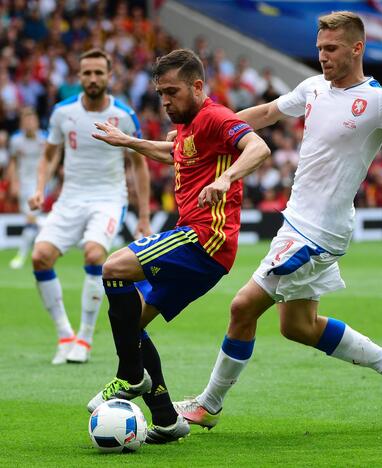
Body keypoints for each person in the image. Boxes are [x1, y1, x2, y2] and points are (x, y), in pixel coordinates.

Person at [173, 11, 382, 429]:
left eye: (332, 49)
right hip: (297, 222)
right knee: (298, 327)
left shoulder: (380, 101)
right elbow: (268, 112)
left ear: (357, 48)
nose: (322, 56)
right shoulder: (313, 87)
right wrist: (202, 130)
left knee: (242, 306)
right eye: (319, 48)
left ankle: (208, 405)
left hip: (318, 232)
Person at [86, 49, 271, 443]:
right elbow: (173, 153)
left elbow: (258, 148)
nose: (166, 101)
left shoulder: (215, 117)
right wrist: (127, 141)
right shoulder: (189, 126)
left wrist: (225, 179)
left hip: (205, 238)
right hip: (202, 247)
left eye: (172, 92)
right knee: (132, 324)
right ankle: (168, 421)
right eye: (161, 94)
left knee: (114, 268)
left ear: (198, 86)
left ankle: (131, 376)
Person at [29, 48, 151, 365]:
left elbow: (139, 165)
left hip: (109, 198)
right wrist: (40, 189)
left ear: (110, 76)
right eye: (87, 73)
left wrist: (145, 216)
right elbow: (48, 154)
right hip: (70, 197)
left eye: (99, 72)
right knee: (40, 257)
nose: (93, 78)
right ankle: (64, 335)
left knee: (95, 254)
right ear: (79, 76)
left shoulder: (124, 115)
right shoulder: (62, 112)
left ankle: (84, 337)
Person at [7, 108, 48, 269]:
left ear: (37, 122)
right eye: (26, 121)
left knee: (31, 218)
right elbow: (13, 162)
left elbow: (50, 161)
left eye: (32, 120)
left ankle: (21, 255)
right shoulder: (16, 140)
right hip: (23, 184)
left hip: (39, 184)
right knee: (30, 220)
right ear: (22, 123)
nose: (29, 124)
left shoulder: (44, 139)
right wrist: (13, 182)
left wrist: (45, 183)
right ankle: (45, 227)